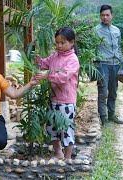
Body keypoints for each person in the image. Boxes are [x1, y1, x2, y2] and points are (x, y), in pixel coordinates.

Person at [35, 27, 80, 160]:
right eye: (57, 43)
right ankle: (58, 153)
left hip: (67, 102)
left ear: (72, 43)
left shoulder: (73, 59)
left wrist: (46, 76)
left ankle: (67, 157)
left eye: (63, 43)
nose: (59, 45)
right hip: (53, 99)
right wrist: (38, 59)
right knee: (52, 128)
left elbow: (63, 77)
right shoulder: (55, 56)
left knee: (66, 129)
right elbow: (44, 63)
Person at [94, 4, 123, 125]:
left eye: (107, 15)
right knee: (103, 92)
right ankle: (103, 118)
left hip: (115, 65)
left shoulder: (117, 30)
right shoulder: (95, 31)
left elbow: (119, 48)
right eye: (102, 15)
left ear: (112, 16)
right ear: (100, 16)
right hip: (102, 64)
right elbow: (92, 49)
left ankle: (111, 114)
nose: (105, 17)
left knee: (113, 91)